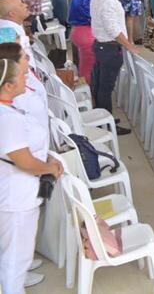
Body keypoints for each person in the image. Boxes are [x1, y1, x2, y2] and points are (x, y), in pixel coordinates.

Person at [0, 43, 64, 294]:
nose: (27, 78)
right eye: (22, 76)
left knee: (13, 255)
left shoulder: (8, 109)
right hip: (16, 199)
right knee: (15, 261)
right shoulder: (7, 118)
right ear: (7, 85)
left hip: (14, 194)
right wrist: (48, 167)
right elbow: (23, 161)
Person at [91, 0, 139, 123]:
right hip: (109, 48)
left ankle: (103, 117)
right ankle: (106, 122)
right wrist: (129, 46)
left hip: (102, 46)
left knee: (100, 85)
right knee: (105, 87)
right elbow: (113, 29)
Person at [68, 0, 96, 84]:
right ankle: (87, 93)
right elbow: (90, 16)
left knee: (86, 63)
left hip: (81, 31)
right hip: (84, 31)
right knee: (87, 67)